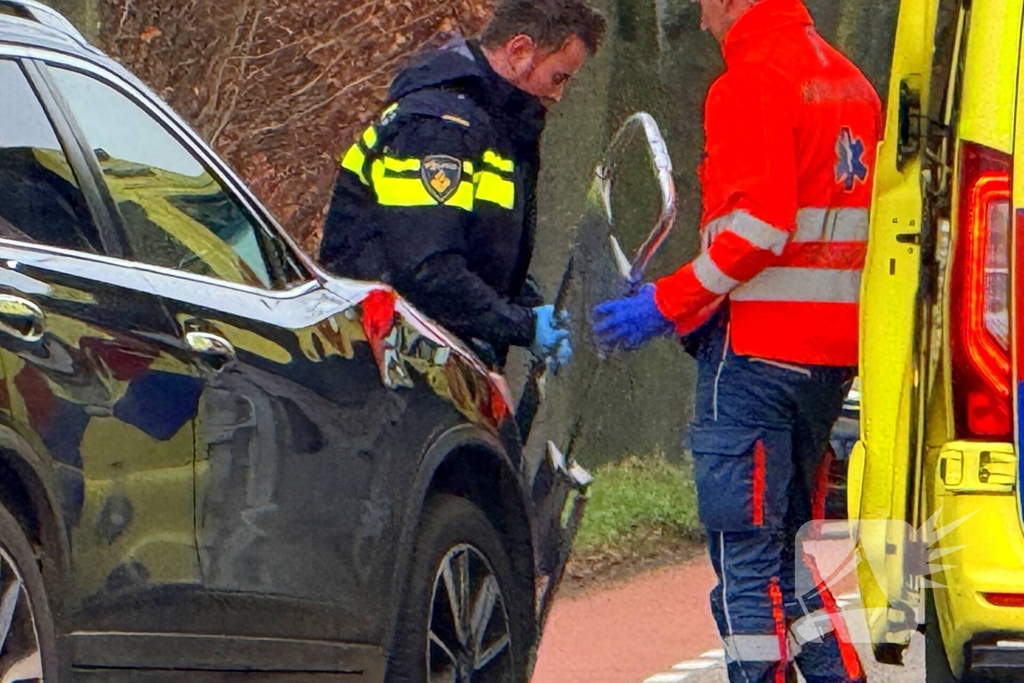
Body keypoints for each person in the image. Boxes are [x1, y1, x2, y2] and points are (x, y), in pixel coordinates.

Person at [591, 0, 882, 681]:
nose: (700, 18)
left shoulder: (751, 80)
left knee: (747, 557)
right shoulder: (851, 83)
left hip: (754, 352)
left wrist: (667, 302)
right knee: (784, 547)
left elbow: (760, 227)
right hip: (831, 355)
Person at [319, 0, 606, 371]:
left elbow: (480, 251)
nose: (557, 95)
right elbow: (427, 270)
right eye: (558, 77)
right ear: (520, 51)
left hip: (410, 348)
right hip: (378, 354)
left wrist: (526, 303)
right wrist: (521, 325)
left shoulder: (488, 127)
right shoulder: (442, 129)